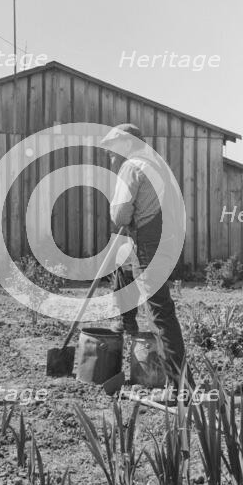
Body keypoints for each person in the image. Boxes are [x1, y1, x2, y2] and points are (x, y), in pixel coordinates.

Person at [101, 123, 185, 386]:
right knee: (122, 264)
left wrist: (127, 211)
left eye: (113, 151)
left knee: (159, 313)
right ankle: (126, 322)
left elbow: (119, 215)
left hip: (150, 242)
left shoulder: (132, 166)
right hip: (167, 240)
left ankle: (179, 385)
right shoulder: (159, 165)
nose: (111, 157)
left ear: (127, 144)